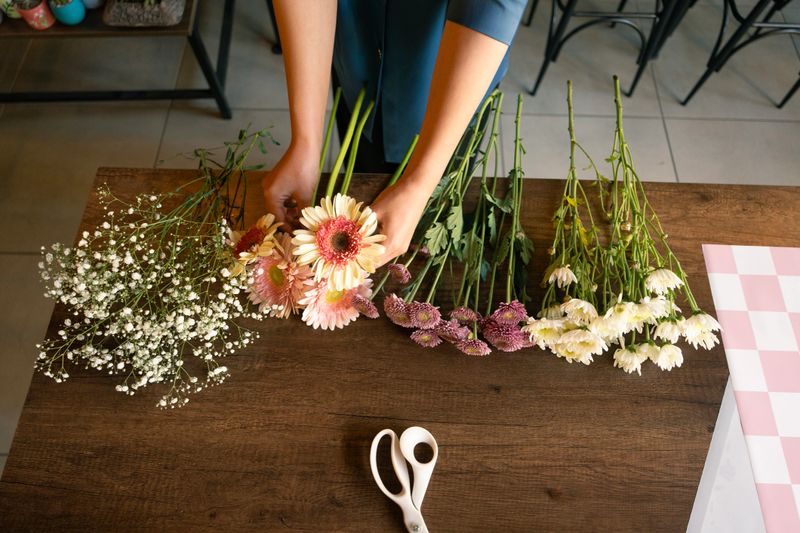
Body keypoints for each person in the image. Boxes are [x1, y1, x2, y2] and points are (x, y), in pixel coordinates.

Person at [262, 0, 526, 267]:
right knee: (363, 168)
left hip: (452, 88)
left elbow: (490, 7)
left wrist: (420, 183)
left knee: (439, 219)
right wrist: (305, 142)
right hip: (357, 57)